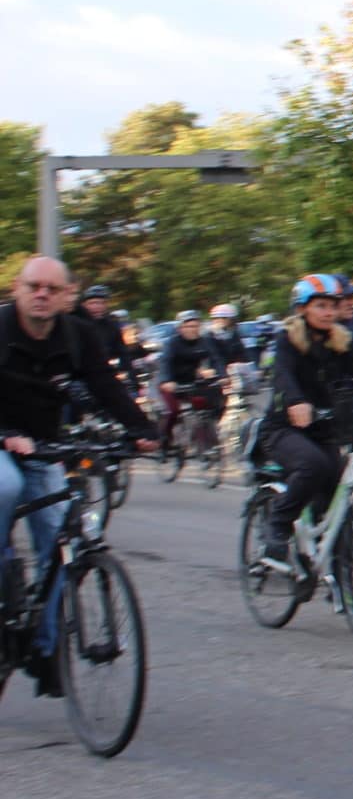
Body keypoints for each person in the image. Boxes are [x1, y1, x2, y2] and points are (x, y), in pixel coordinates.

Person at [1, 258, 156, 636]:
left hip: (44, 443)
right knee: (7, 487)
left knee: (57, 539)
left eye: (52, 289)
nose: (41, 295)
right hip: (3, 439)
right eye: (33, 286)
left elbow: (106, 385)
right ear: (17, 290)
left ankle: (48, 646)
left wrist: (141, 428)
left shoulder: (78, 334)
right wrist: (4, 434)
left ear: (67, 296)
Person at [257, 274, 353, 580]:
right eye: (320, 305)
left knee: (337, 484)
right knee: (312, 465)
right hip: (283, 429)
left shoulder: (341, 341)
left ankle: (340, 582)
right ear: (302, 309)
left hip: (324, 429)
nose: (328, 312)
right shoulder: (287, 340)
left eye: (333, 306)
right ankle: (278, 528)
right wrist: (295, 401)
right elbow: (282, 375)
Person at [155, 311, 225, 450]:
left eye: (195, 326)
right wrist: (166, 381)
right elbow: (165, 362)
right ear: (180, 328)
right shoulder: (172, 343)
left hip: (192, 381)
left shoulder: (205, 341)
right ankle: (164, 440)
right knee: (172, 411)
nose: (192, 330)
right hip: (171, 383)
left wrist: (223, 376)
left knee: (208, 404)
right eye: (188, 326)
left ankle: (204, 440)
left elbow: (216, 359)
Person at [74, 283, 139, 388]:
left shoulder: (111, 326)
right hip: (82, 379)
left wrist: (134, 382)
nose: (97, 307)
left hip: (107, 375)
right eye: (93, 303)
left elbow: (123, 354)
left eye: (101, 303)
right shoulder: (76, 324)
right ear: (84, 305)